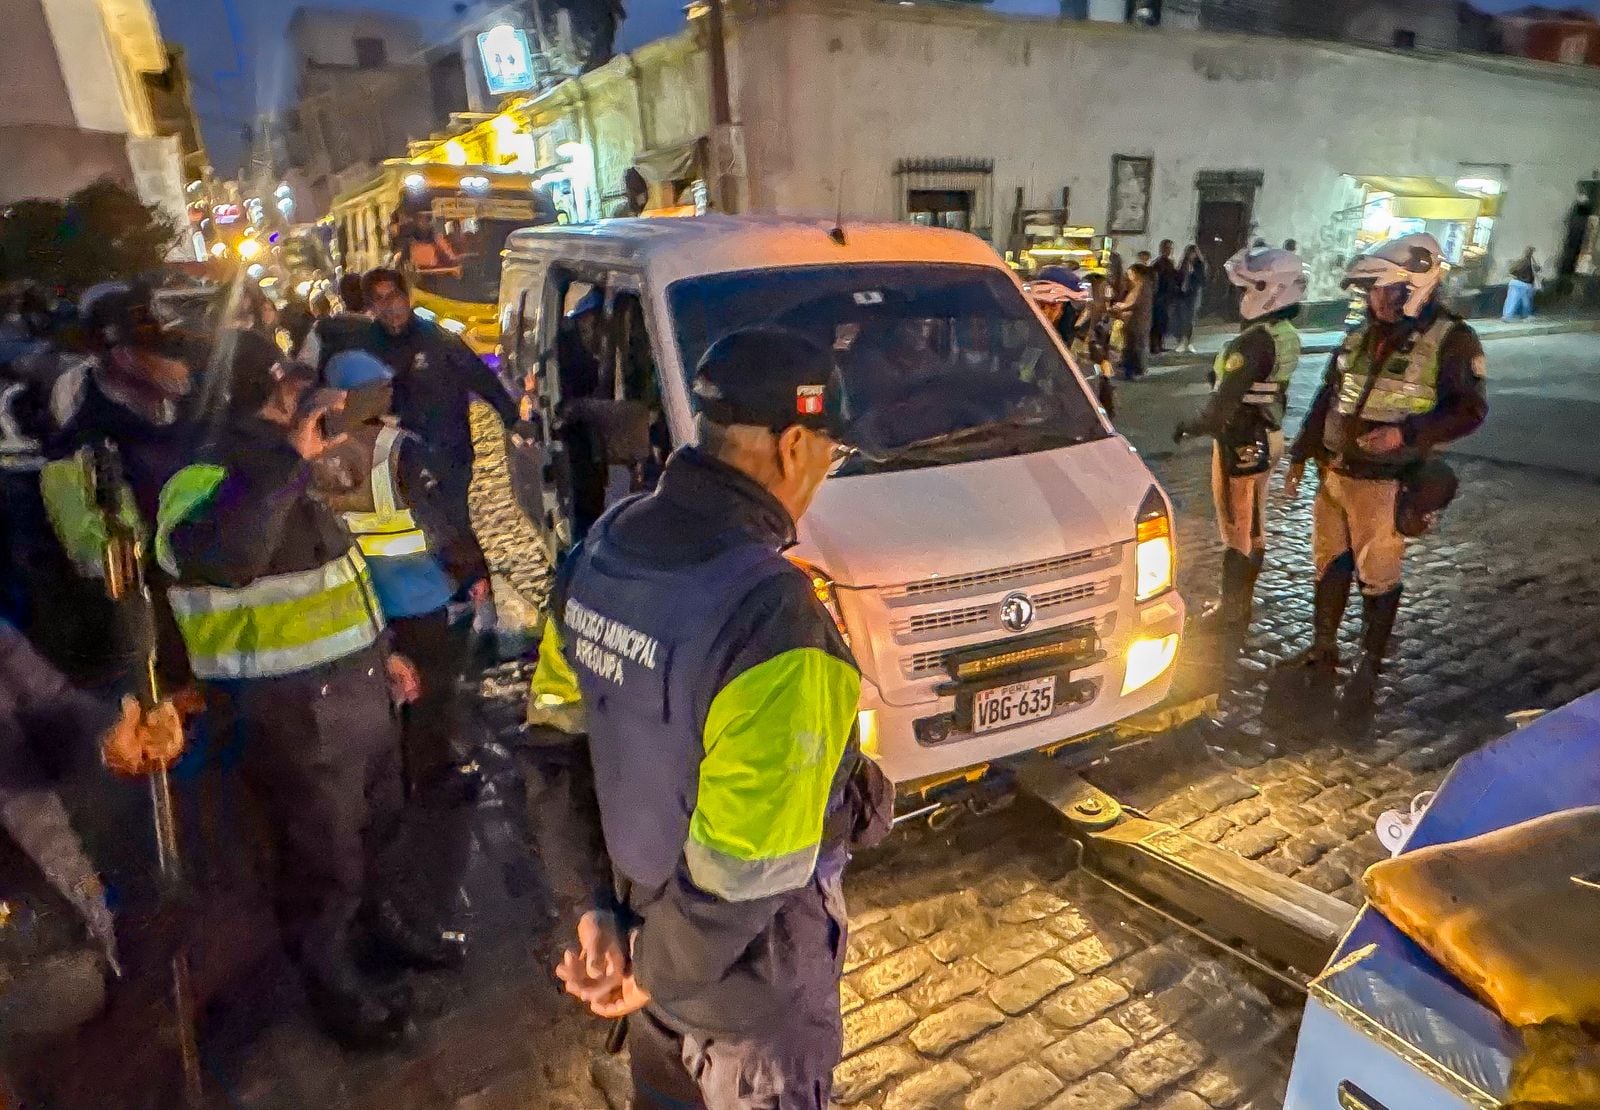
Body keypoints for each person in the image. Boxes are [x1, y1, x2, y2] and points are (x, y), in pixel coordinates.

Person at [537, 327, 892, 1108]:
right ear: (795, 444)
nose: (825, 473)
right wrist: (648, 969)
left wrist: (601, 916)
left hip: (645, 945)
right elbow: (748, 869)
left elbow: (555, 751)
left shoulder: (602, 550)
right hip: (744, 1001)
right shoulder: (773, 619)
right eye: (831, 454)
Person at [154, 330, 434, 1046]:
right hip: (288, 711)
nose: (298, 388)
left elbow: (332, 569)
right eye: (285, 374)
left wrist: (384, 652)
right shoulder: (200, 472)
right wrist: (289, 463)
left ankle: (387, 934)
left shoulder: (282, 460)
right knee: (322, 865)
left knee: (381, 827)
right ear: (263, 386)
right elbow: (227, 558)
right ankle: (341, 998)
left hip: (353, 686)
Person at [310, 348, 488, 949]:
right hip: (416, 592)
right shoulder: (397, 450)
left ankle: (401, 780)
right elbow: (442, 521)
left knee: (384, 705)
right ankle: (429, 779)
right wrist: (471, 570)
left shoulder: (312, 453)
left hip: (359, 605)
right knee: (431, 696)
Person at [1280, 233, 1488, 723]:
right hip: (1335, 474)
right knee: (1329, 565)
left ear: (1414, 286)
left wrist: (1406, 433)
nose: (1374, 298)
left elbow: (1471, 409)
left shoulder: (1452, 339)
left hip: (1387, 483)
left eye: (1384, 289)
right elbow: (1330, 398)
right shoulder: (1360, 335)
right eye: (1370, 290)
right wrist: (1301, 454)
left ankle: (1369, 667)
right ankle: (1324, 649)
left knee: (1378, 576)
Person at [361, 268, 530, 627]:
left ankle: (478, 596)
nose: (389, 308)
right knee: (421, 530)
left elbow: (481, 378)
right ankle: (445, 594)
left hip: (449, 453)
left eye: (393, 297)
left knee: (454, 523)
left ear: (406, 297)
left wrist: (513, 419)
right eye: (379, 301)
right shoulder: (369, 346)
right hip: (397, 460)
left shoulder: (435, 339)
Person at [1174, 246, 1306, 643]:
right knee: (1256, 526)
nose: (1239, 296)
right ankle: (1241, 606)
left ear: (1269, 290)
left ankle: (1231, 612)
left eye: (1245, 288)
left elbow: (1221, 407)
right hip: (1271, 433)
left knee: (1236, 529)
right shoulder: (1285, 335)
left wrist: (1188, 426)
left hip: (1240, 440)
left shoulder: (1252, 342)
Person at [1114, 259, 1154, 379]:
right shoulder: (1135, 286)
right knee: (1131, 345)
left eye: (1130, 273)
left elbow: (1137, 303)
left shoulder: (1143, 286)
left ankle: (1136, 370)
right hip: (1133, 322)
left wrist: (1122, 306)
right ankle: (1131, 370)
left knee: (1136, 346)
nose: (1128, 276)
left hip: (1138, 322)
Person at [1172, 244, 1208, 354]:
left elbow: (1202, 280)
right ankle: (1181, 341)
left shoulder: (1199, 264)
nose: (1191, 255)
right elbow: (1178, 277)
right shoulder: (1183, 264)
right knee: (1181, 317)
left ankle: (1187, 341)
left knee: (1190, 317)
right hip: (1182, 294)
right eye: (1189, 253)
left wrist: (1194, 274)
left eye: (1193, 253)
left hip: (1193, 294)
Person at [1151, 239, 1180, 355]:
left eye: (1170, 248)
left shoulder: (1169, 263)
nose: (1169, 251)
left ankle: (1160, 344)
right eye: (1167, 248)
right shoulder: (1158, 264)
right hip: (1159, 297)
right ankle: (1154, 345)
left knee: (1163, 322)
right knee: (1157, 321)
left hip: (1167, 297)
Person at [1503, 247, 1540, 321]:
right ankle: (1525, 316)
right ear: (1531, 254)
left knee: (1512, 300)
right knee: (1526, 301)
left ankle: (1507, 316)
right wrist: (1534, 260)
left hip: (1516, 283)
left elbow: (1511, 270)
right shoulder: (1531, 263)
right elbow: (1538, 269)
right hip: (1525, 285)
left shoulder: (1520, 262)